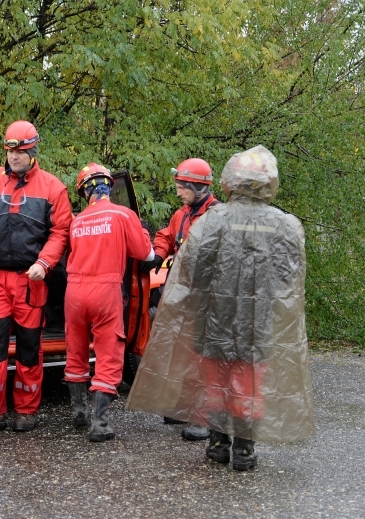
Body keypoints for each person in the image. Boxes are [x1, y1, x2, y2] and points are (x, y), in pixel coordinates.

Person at [126, 145, 314, 471]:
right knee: (248, 384)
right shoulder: (285, 225)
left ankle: (217, 444)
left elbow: (191, 270)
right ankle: (243, 449)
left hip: (214, 320)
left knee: (214, 381)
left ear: (232, 182)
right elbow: (289, 278)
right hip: (257, 324)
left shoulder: (213, 221)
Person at [0, 120, 72, 434]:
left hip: (29, 282)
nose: (14, 156)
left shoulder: (53, 188)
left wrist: (45, 263)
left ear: (33, 152)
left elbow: (61, 232)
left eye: (20, 152)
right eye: (10, 151)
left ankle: (26, 411)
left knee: (29, 348)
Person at [63, 163, 155, 442]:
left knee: (76, 349)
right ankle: (100, 424)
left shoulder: (76, 221)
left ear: (84, 192)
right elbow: (145, 254)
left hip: (74, 292)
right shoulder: (123, 214)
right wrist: (144, 233)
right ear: (109, 188)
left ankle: (78, 412)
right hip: (105, 291)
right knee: (108, 351)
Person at [140, 157, 220, 441]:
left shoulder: (217, 217)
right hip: (184, 295)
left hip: (208, 298)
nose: (178, 192)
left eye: (182, 188)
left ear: (198, 188)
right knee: (184, 352)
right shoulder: (183, 214)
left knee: (204, 358)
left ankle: (204, 416)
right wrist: (158, 254)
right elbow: (166, 235)